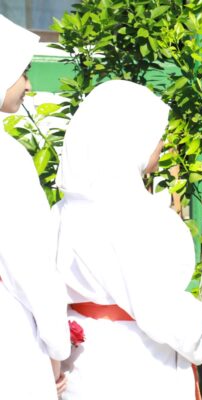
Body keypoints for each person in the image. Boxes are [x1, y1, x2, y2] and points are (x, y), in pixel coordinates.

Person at [53, 80, 202, 399]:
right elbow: (153, 302)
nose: (162, 143)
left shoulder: (63, 210)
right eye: (157, 135)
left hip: (81, 361)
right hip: (136, 366)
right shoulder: (132, 213)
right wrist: (197, 320)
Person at [0, 14, 71, 399]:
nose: (28, 84)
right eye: (22, 71)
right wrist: (57, 346)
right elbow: (28, 261)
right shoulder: (7, 158)